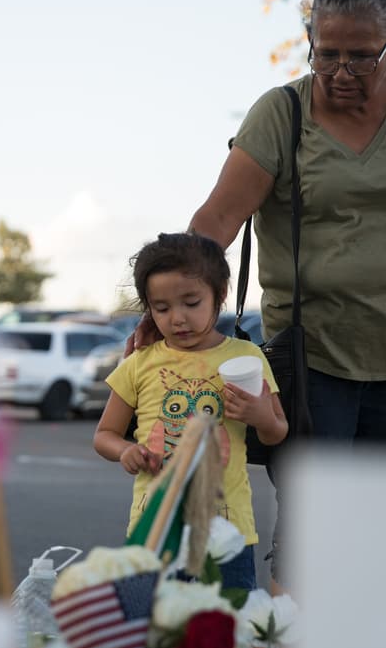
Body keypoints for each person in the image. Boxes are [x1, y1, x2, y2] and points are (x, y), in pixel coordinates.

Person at [147, 0, 386, 585]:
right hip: (311, 361)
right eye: (326, 54)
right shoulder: (280, 114)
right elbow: (219, 218)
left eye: (362, 57)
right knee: (315, 536)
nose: (340, 72)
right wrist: (164, 309)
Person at [95, 232, 288, 589]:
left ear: (220, 294)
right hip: (154, 529)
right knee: (153, 632)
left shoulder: (245, 357)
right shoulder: (141, 363)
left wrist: (259, 415)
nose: (178, 319)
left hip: (227, 532)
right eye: (162, 308)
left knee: (227, 631)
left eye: (191, 302)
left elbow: (277, 430)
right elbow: (104, 435)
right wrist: (126, 451)